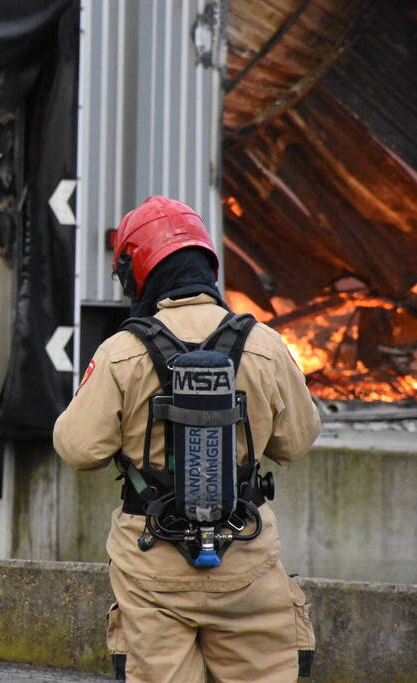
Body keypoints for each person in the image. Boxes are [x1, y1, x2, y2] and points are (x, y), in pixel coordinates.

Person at [53, 196, 320, 682]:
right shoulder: (264, 344)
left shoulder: (122, 351)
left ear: (137, 272)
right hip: (245, 555)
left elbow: (79, 449)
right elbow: (295, 442)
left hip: (152, 560)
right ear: (207, 264)